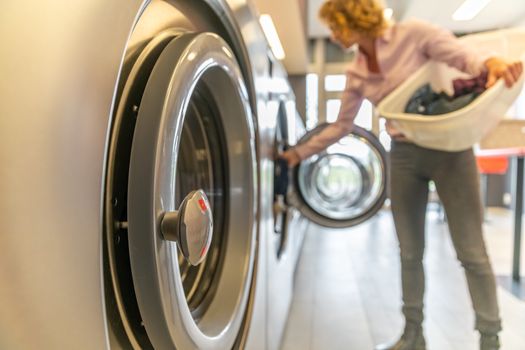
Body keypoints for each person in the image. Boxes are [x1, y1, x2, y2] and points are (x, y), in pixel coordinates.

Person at [280, 1, 523, 350]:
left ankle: (490, 338)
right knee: (409, 251)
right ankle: (413, 335)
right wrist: (296, 154)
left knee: (471, 251)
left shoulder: (414, 35)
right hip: (404, 154)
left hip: (451, 147)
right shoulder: (357, 73)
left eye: (335, 26)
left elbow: (461, 57)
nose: (333, 35)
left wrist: (492, 64)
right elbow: (341, 126)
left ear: (353, 18)